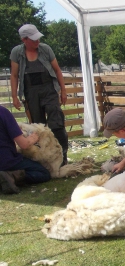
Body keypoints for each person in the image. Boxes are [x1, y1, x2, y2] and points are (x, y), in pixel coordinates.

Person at [10, 24, 69, 166]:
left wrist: (63, 90)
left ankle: (63, 158)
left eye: (37, 38)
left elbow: (57, 70)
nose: (37, 41)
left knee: (56, 123)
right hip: (31, 92)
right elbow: (14, 75)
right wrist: (14, 96)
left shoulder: (45, 49)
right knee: (37, 127)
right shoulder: (17, 53)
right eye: (33, 39)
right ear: (24, 39)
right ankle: (44, 161)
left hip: (49, 89)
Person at [0, 106, 51, 194]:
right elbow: (24, 145)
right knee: (43, 173)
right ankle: (11, 176)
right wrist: (32, 139)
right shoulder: (3, 112)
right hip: (6, 161)